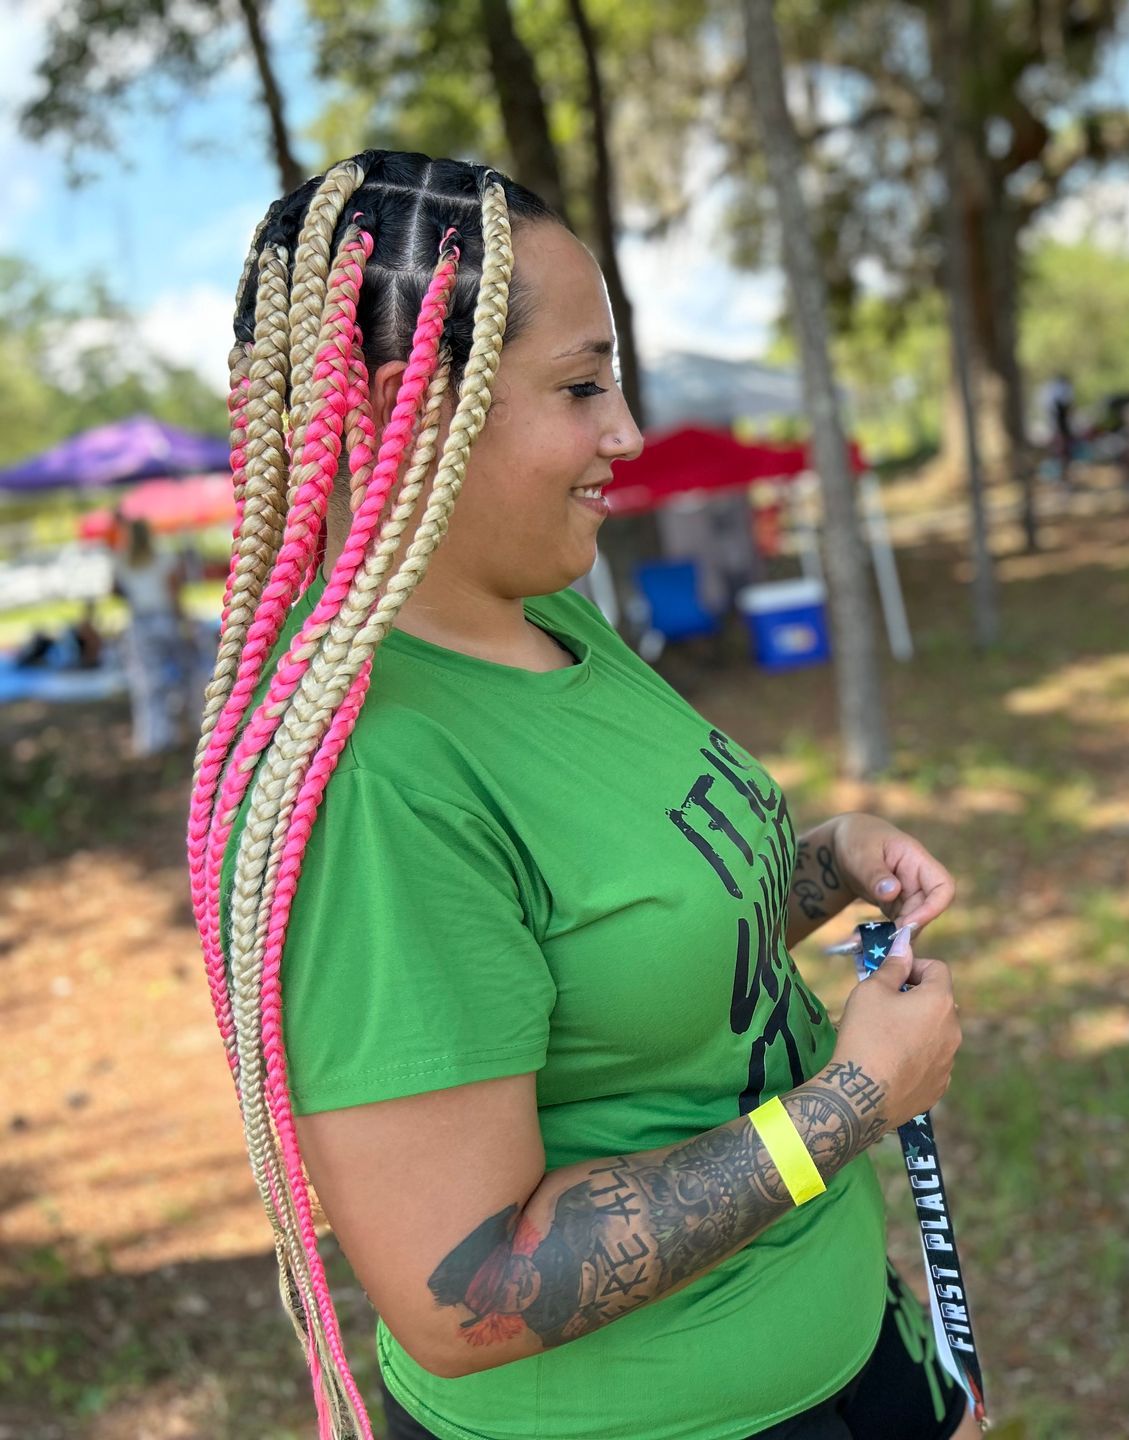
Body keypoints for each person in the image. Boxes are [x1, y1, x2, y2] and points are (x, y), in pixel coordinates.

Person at [192, 152, 975, 1440]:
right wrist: (847, 1107)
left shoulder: (549, 615)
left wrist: (826, 864)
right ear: (412, 412)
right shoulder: (374, 774)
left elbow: (617, 965)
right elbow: (467, 1287)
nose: (624, 430)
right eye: (580, 384)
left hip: (835, 1351)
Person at [111, 517, 193, 755]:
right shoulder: (164, 559)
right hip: (165, 619)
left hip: (140, 623)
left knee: (146, 682)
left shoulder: (123, 561)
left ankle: (152, 736)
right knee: (179, 675)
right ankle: (179, 728)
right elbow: (175, 594)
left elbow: (114, 589)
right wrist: (184, 622)